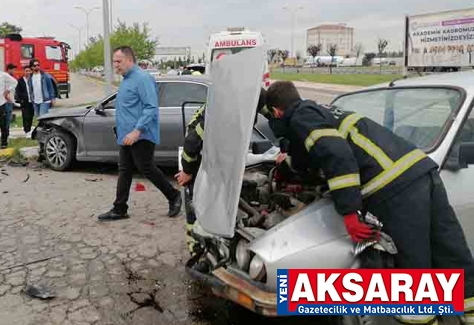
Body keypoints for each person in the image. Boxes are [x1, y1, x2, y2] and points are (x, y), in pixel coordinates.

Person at [264, 81, 474, 325]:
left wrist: (350, 213)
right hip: (421, 170)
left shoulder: (301, 118)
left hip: (395, 186)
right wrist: (287, 166)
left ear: (277, 111)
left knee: (412, 276)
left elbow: (337, 156)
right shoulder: (318, 111)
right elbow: (312, 155)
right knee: (450, 252)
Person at [176, 88, 268, 256]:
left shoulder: (253, 93)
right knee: (196, 203)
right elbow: (191, 142)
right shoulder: (221, 111)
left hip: (221, 152)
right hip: (198, 155)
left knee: (223, 196)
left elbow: (272, 112)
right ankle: (196, 249)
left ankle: (222, 237)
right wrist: (187, 172)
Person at [97, 46, 182, 221]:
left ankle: (174, 196)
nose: (115, 66)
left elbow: (151, 107)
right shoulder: (127, 80)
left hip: (141, 134)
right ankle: (119, 208)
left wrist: (137, 131)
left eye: (118, 61)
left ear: (129, 59)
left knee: (146, 167)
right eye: (114, 62)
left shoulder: (142, 78)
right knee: (125, 170)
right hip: (126, 135)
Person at [15, 65, 34, 137]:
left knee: (31, 116)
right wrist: (22, 99)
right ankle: (27, 131)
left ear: (31, 71)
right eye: (26, 71)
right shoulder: (20, 81)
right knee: (25, 116)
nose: (28, 72)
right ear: (24, 72)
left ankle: (29, 129)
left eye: (29, 71)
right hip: (24, 102)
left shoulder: (33, 79)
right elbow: (18, 91)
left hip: (32, 101)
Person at [5, 63, 17, 130]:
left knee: (8, 117)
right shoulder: (6, 78)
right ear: (9, 69)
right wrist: (7, 97)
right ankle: (6, 133)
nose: (14, 71)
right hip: (7, 101)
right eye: (13, 70)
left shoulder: (10, 78)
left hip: (10, 100)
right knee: (7, 118)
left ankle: (7, 132)